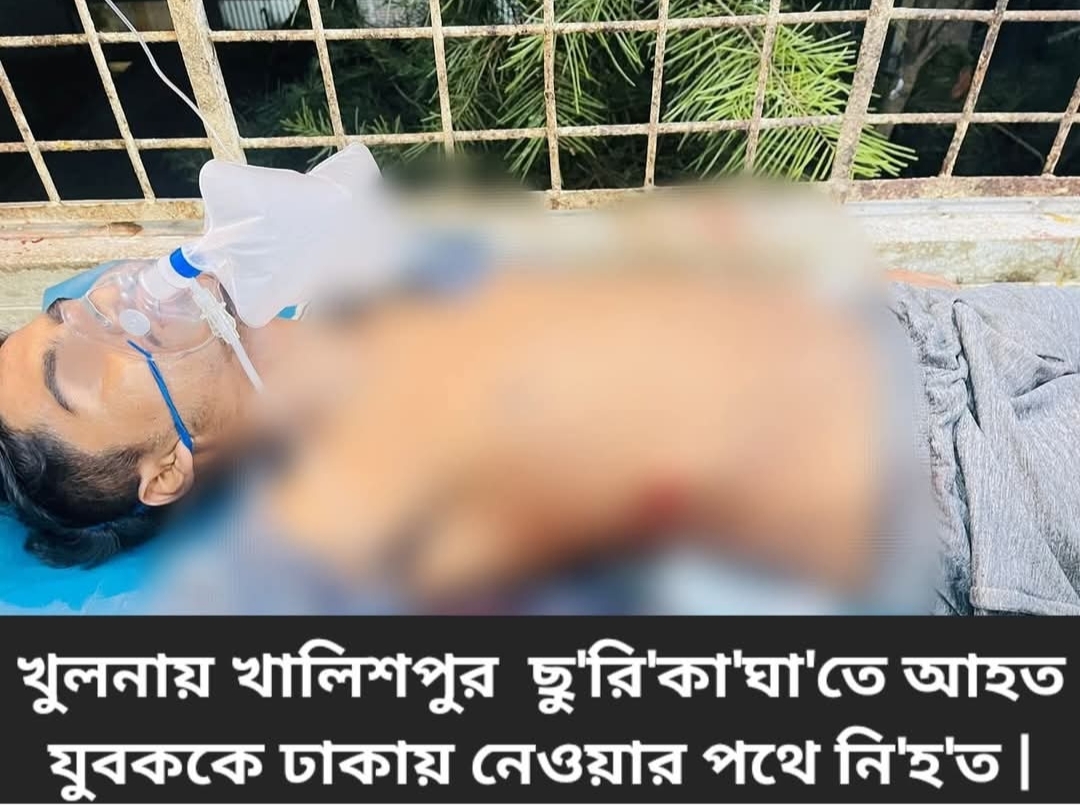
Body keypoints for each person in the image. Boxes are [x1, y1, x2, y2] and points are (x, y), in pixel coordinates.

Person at [0, 201, 1077, 615]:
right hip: (964, 493)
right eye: (78, 369)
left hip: (933, 337)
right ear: (164, 470)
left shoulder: (319, 299)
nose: (101, 307)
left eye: (66, 311)